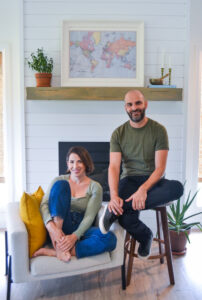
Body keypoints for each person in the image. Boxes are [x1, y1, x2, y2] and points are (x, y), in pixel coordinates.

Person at [99, 89, 183, 259]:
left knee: (177, 188)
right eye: (130, 104)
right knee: (125, 217)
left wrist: (143, 190)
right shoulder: (118, 133)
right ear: (125, 108)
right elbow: (114, 167)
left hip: (153, 181)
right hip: (129, 179)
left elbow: (160, 168)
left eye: (138, 103)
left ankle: (114, 211)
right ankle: (145, 236)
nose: (134, 107)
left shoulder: (159, 130)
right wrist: (114, 195)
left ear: (145, 104)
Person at [33, 146, 117, 262]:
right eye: (72, 162)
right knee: (61, 185)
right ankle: (58, 245)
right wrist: (52, 228)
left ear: (86, 163)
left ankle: (56, 252)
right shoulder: (58, 180)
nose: (75, 166)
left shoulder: (95, 187)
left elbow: (89, 217)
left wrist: (74, 237)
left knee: (110, 239)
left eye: (79, 162)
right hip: (58, 226)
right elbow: (44, 204)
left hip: (80, 227)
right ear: (67, 164)